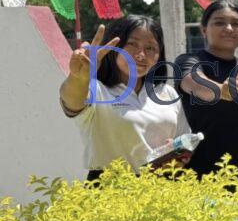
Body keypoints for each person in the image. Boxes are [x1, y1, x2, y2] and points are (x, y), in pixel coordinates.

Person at [59, 16, 190, 178]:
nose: (141, 54)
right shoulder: (98, 90)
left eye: (151, 48)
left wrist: (178, 154)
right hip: (110, 189)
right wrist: (78, 78)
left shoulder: (167, 93)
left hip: (162, 188)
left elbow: (184, 140)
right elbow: (71, 101)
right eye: (132, 44)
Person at [175, 0, 238, 191]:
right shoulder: (189, 60)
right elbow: (193, 82)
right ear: (203, 30)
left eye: (236, 23)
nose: (229, 28)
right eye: (219, 22)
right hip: (197, 176)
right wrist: (220, 91)